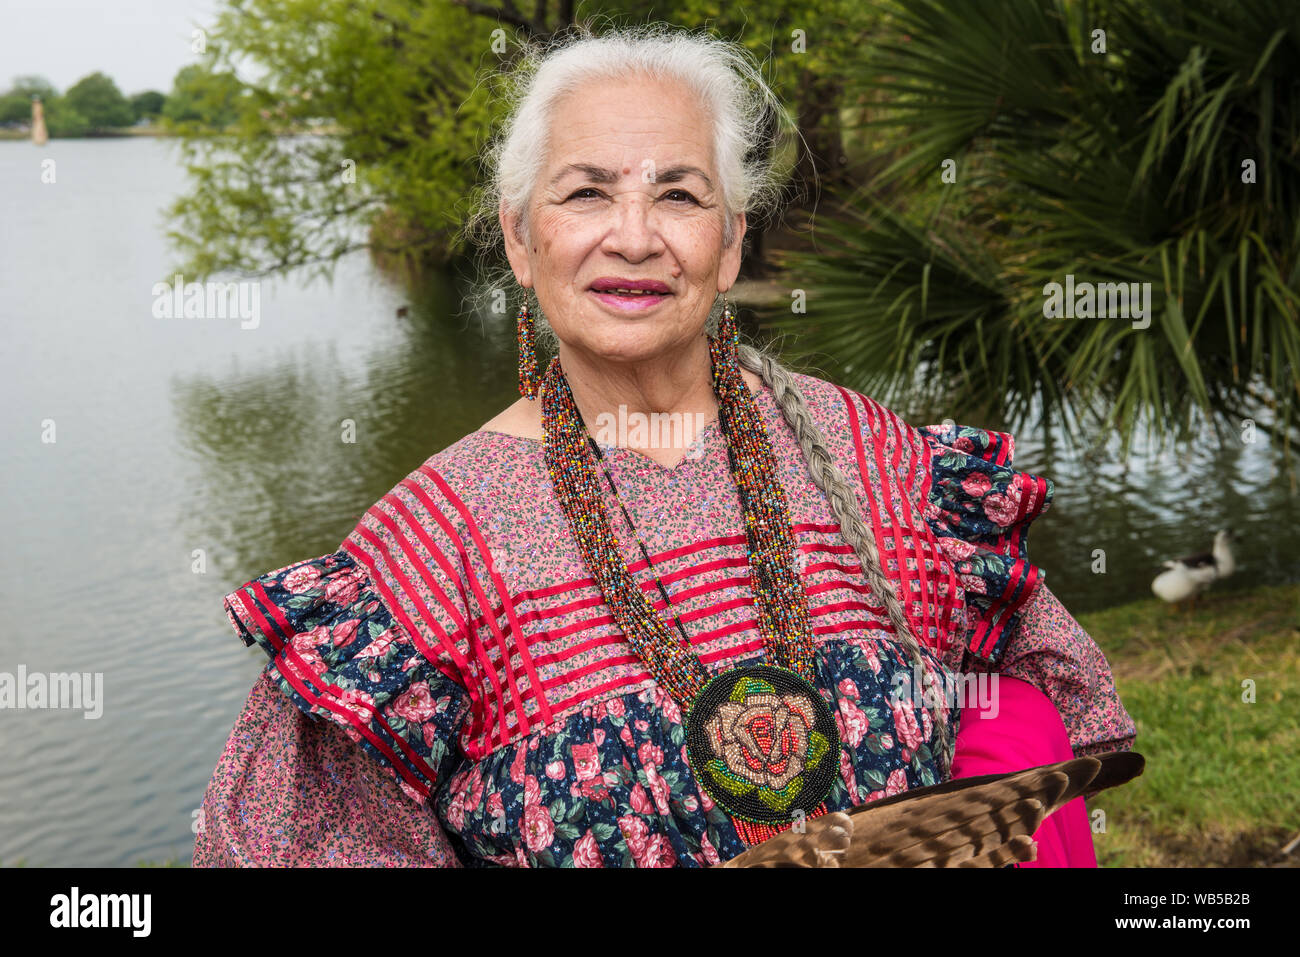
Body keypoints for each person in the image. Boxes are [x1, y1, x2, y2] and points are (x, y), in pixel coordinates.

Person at [194, 24, 1135, 868]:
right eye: (586, 192)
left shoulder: (872, 457)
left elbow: (1029, 706)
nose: (634, 237)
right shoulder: (425, 556)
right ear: (522, 240)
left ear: (729, 243)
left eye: (679, 194)